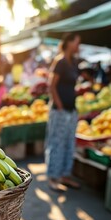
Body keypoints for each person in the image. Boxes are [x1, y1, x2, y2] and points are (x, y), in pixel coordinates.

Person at [45, 33, 81, 192]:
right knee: (57, 144)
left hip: (71, 110)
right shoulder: (60, 62)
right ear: (69, 43)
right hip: (60, 111)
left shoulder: (73, 62)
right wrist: (59, 106)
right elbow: (52, 86)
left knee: (69, 143)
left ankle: (65, 175)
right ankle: (53, 177)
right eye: (77, 42)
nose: (78, 46)